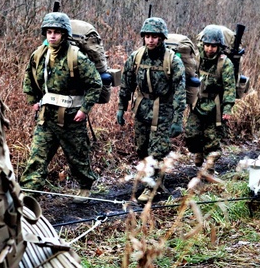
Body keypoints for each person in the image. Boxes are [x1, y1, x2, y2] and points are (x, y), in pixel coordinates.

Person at [20, 12, 102, 200]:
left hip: (71, 118)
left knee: (77, 157)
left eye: (57, 32)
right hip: (46, 117)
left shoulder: (76, 58)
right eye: (49, 32)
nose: (52, 36)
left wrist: (84, 109)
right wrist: (33, 100)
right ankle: (29, 193)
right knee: (37, 157)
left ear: (64, 34)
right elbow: (29, 78)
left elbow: (95, 84)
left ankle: (85, 186)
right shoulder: (39, 55)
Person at [117, 17, 186, 201]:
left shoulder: (173, 61)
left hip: (163, 111)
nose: (150, 40)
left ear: (162, 38)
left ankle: (152, 187)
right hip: (141, 109)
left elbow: (180, 92)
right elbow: (126, 84)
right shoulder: (136, 57)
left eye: (154, 36)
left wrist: (177, 120)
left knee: (157, 150)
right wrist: (121, 107)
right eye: (147, 36)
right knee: (142, 149)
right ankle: (154, 179)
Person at [185, 25, 235, 167]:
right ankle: (198, 152)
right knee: (191, 134)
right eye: (207, 45)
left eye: (213, 46)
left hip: (215, 107)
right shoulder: (196, 58)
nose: (209, 49)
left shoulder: (225, 63)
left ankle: (210, 168)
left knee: (212, 140)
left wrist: (227, 109)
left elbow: (230, 88)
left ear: (219, 46)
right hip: (198, 103)